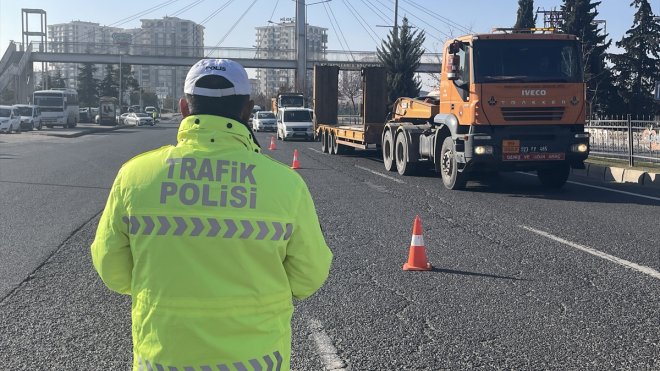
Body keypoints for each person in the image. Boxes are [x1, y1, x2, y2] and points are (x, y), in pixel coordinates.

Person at [91, 58, 333, 370]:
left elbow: (111, 267)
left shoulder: (135, 176)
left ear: (183, 108)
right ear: (247, 110)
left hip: (162, 361)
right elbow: (309, 275)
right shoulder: (286, 184)